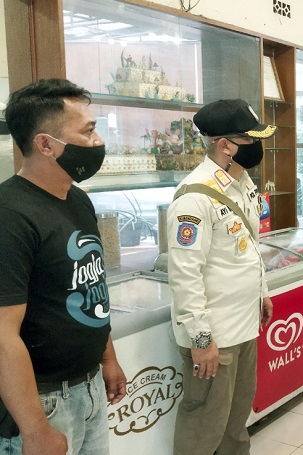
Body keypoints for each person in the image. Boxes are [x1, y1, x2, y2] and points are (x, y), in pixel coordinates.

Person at [0, 78, 127, 455]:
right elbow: (3, 334)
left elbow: (91, 291)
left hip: (88, 388)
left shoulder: (77, 199)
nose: (97, 141)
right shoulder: (10, 216)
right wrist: (35, 428)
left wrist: (108, 358)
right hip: (43, 402)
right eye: (87, 131)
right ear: (46, 144)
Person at [167, 99, 276, 455]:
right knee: (204, 425)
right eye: (249, 139)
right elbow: (185, 274)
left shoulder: (240, 184)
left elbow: (249, 250)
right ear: (225, 145)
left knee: (235, 421)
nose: (257, 146)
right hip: (216, 335)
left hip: (244, 327)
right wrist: (201, 340)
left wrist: (263, 293)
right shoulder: (195, 197)